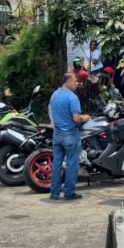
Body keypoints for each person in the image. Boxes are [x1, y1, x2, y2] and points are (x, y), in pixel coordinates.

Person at [49, 72, 89, 201]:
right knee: (72, 163)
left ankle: (54, 192)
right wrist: (86, 117)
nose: (77, 83)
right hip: (70, 134)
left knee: (57, 163)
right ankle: (69, 192)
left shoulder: (54, 95)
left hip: (57, 133)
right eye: (75, 81)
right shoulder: (72, 97)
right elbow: (76, 118)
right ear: (67, 82)